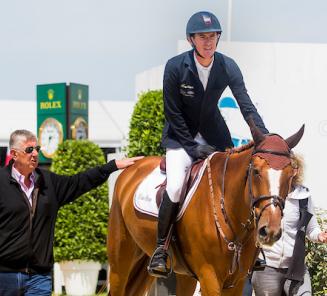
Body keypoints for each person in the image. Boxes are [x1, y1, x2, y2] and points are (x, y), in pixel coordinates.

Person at [147, 10, 269, 278]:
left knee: (240, 181)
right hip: (180, 137)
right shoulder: (176, 66)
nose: (208, 41)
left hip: (215, 135)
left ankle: (254, 247)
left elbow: (245, 103)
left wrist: (264, 136)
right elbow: (173, 113)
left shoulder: (228, 66)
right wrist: (192, 148)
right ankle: (161, 248)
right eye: (202, 37)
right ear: (191, 39)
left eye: (213, 36)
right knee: (177, 184)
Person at [0, 129, 143, 296]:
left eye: (37, 149)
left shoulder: (48, 182)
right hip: (4, 276)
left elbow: (79, 181)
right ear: (14, 154)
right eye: (29, 150)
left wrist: (113, 166)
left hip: (39, 277)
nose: (35, 154)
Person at [251, 155, 327, 296]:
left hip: (296, 267)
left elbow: (311, 228)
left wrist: (320, 235)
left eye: (291, 166)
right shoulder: (267, 195)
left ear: (296, 171)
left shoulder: (303, 196)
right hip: (267, 267)